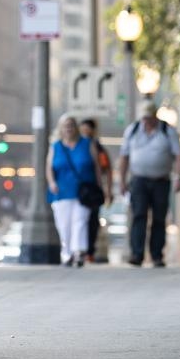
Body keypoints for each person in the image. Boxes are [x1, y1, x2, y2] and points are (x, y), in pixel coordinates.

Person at [119, 101, 180, 267]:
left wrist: (178, 178)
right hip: (138, 180)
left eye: (149, 117)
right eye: (144, 118)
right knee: (139, 215)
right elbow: (124, 157)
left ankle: (157, 255)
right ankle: (137, 254)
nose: (146, 121)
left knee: (159, 218)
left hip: (161, 180)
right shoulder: (132, 131)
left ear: (155, 116)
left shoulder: (167, 131)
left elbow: (178, 156)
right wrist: (122, 180)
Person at [47, 113, 106, 267]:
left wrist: (100, 187)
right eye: (65, 126)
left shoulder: (87, 143)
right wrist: (52, 182)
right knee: (64, 224)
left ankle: (79, 252)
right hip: (61, 191)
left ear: (76, 128)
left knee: (80, 221)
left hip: (84, 191)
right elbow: (49, 168)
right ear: (60, 129)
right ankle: (66, 253)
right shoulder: (56, 146)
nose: (69, 129)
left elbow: (97, 167)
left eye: (71, 125)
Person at [79, 117, 113, 262]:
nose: (85, 133)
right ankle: (78, 249)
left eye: (88, 130)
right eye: (83, 130)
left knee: (92, 220)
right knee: (78, 220)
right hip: (77, 188)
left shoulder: (99, 149)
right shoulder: (75, 146)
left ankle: (89, 251)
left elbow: (107, 170)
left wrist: (108, 190)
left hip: (93, 189)